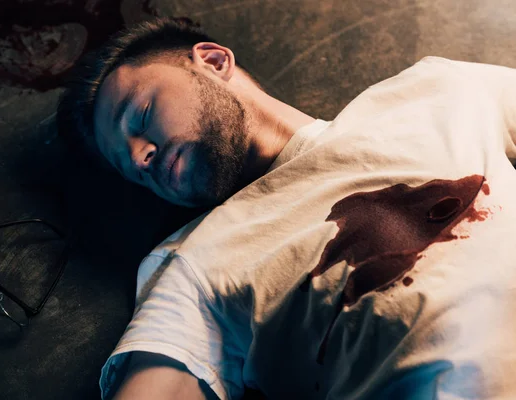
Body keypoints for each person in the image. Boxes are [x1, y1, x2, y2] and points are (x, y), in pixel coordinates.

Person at [57, 16, 516, 400]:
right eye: (132, 166)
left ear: (213, 61)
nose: (141, 156)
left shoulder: (434, 91)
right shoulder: (196, 263)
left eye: (138, 116)